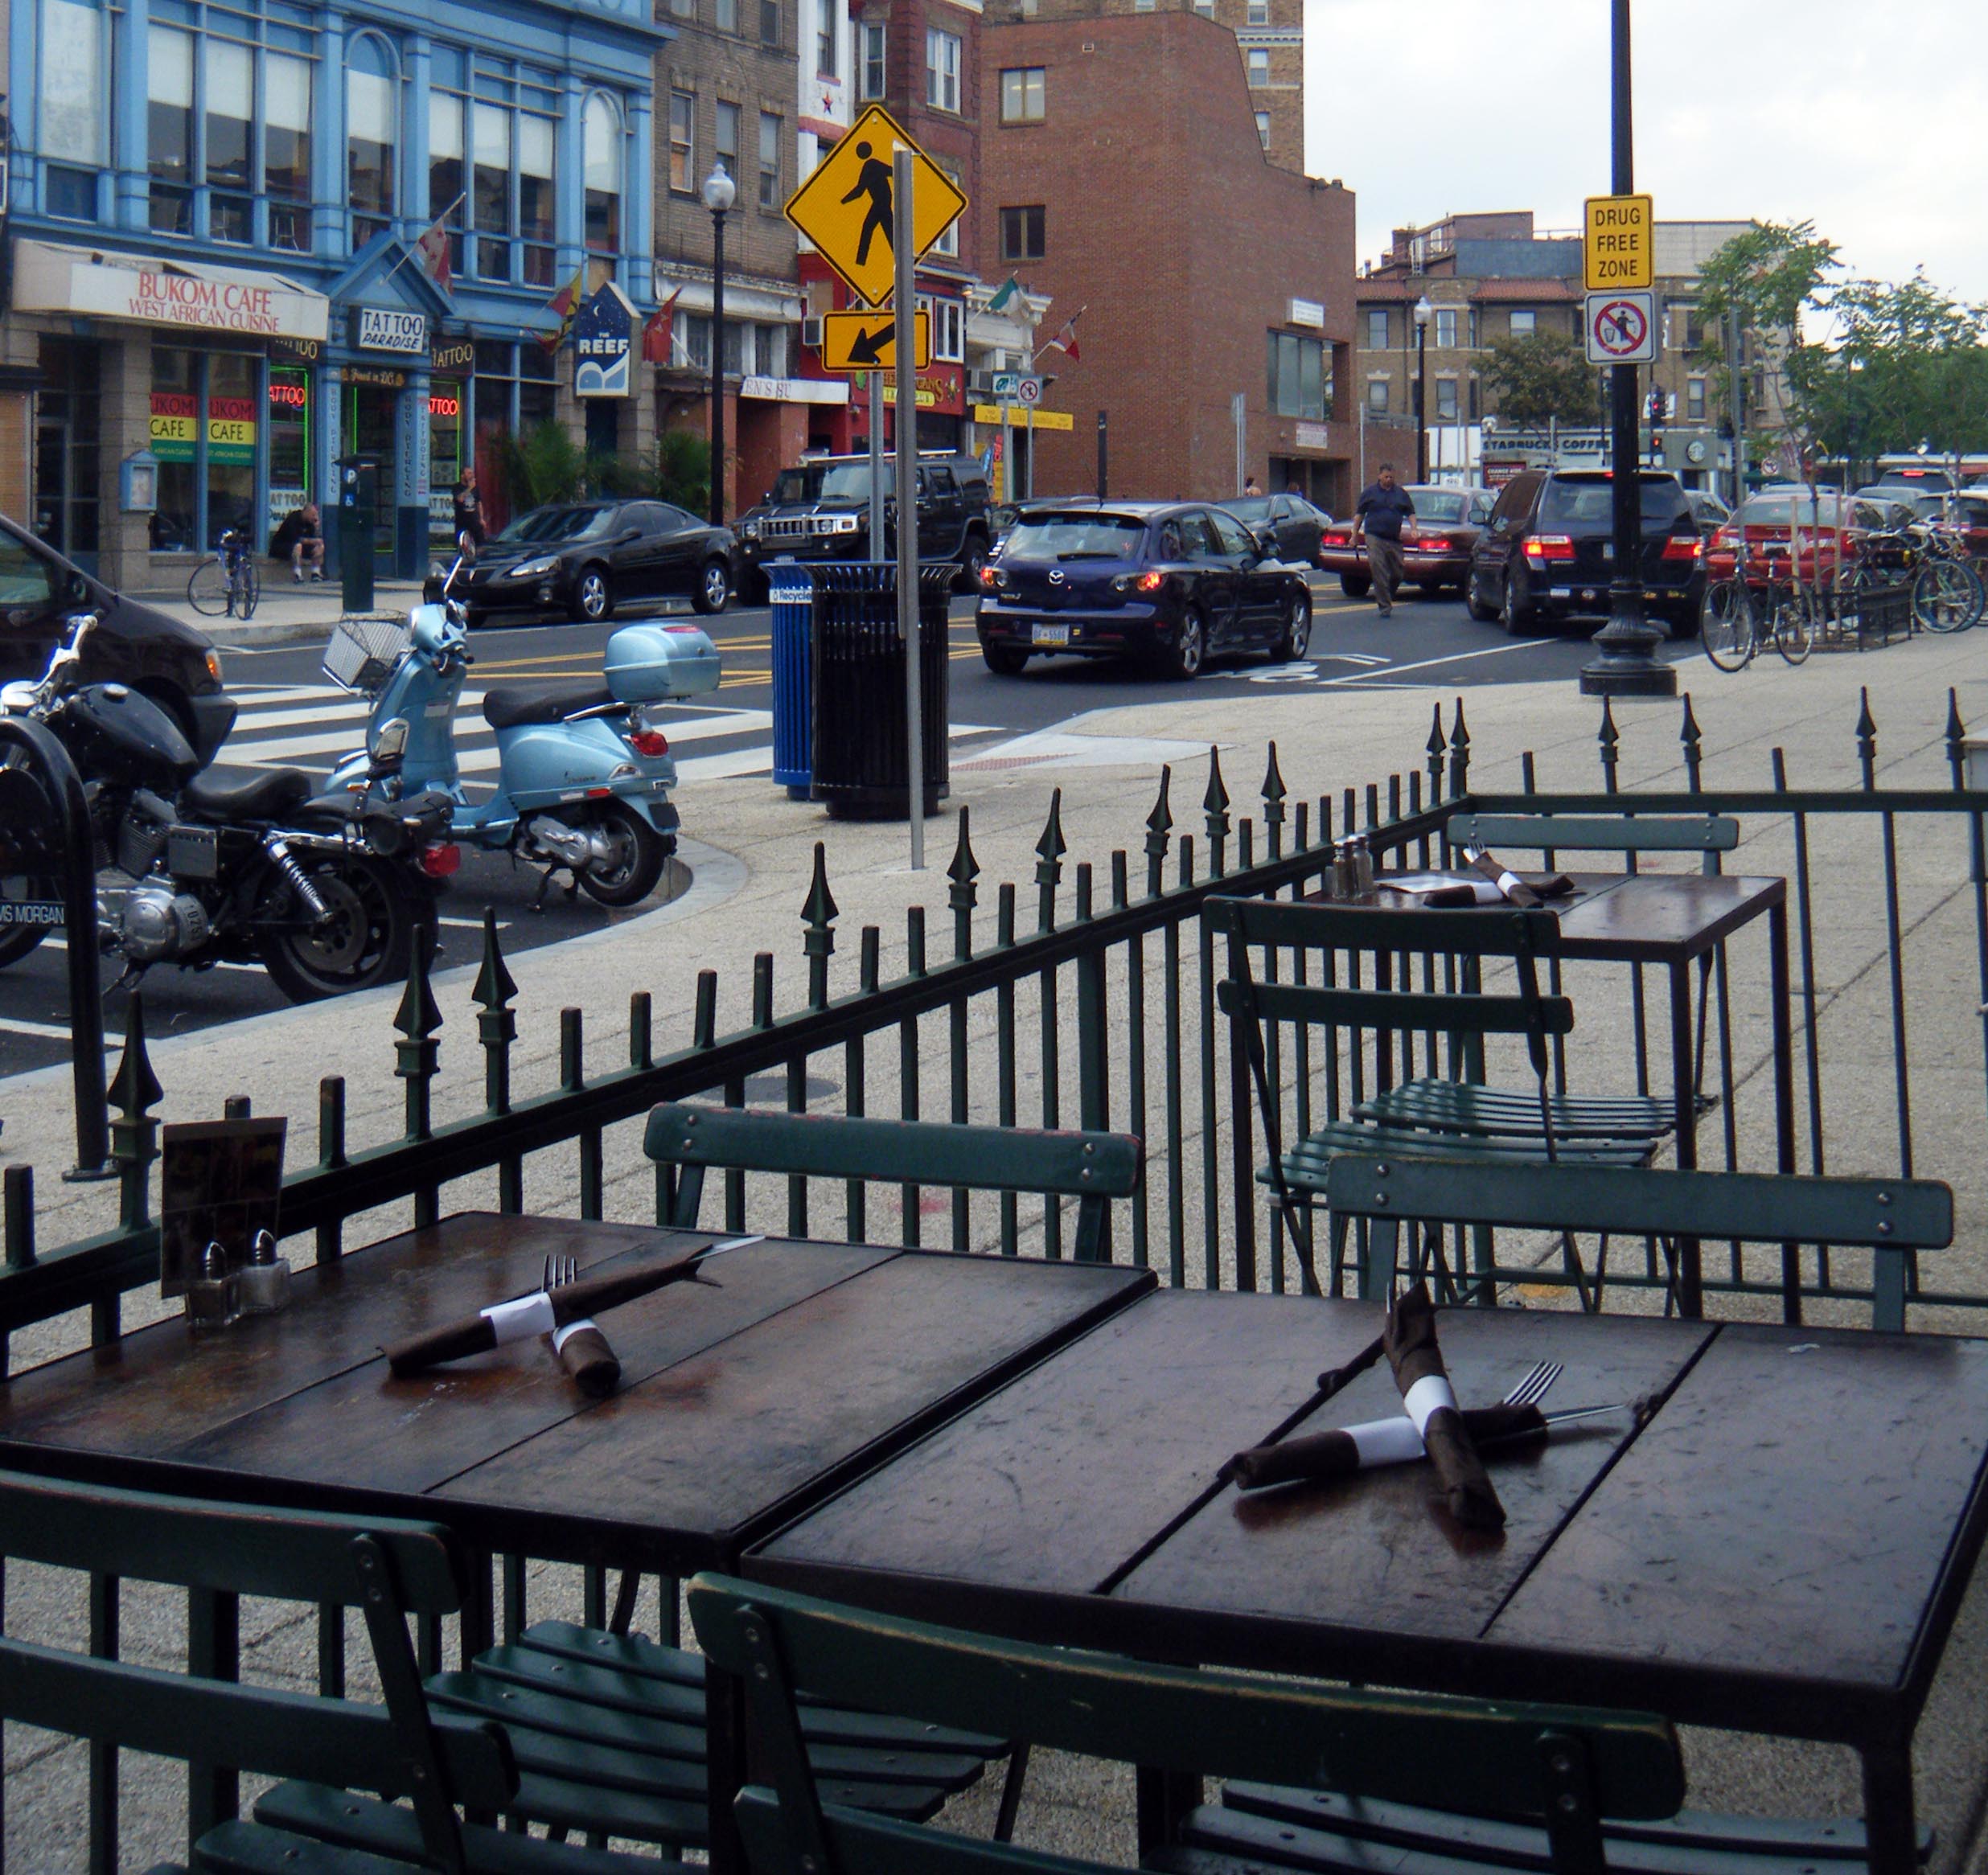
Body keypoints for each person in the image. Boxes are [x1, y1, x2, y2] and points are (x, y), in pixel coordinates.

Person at [1353, 462, 1415, 617]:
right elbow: (1359, 515)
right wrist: (1354, 535)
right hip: (1374, 536)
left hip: (1393, 538)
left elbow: (1410, 513)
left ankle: (1387, 593)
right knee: (1378, 568)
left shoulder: (1401, 494)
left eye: (1391, 477)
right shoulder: (1370, 493)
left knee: (1397, 573)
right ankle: (1385, 606)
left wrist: (1414, 528)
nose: (1389, 480)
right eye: (1386, 477)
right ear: (1380, 476)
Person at [269, 501, 325, 581]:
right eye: (313, 515)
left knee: (320, 546)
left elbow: (314, 539)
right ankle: (297, 574)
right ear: (306, 512)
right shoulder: (294, 518)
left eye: (316, 515)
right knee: (298, 546)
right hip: (282, 546)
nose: (315, 518)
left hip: (300, 548)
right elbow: (295, 539)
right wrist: (313, 541)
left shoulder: (310, 523)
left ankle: (315, 573)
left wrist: (316, 529)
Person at [453, 469, 487, 564]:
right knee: (462, 543)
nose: (471, 475)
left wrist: (481, 518)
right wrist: (469, 488)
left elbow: (479, 503)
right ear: (463, 476)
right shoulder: (457, 487)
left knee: (480, 542)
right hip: (462, 520)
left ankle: (479, 560)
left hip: (474, 519)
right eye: (469, 473)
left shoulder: (476, 488)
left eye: (472, 473)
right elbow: (460, 499)